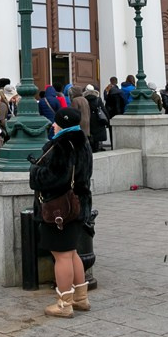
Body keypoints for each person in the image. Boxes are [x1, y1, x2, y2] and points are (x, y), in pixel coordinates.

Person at [29, 107, 93, 318]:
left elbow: (54, 177)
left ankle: (64, 303)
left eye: (56, 122)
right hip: (78, 205)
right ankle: (81, 298)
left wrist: (35, 172)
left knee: (62, 255)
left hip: (60, 210)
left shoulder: (62, 145)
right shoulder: (82, 141)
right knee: (71, 252)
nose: (53, 125)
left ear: (61, 124)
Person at [83, 85, 108, 152]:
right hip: (97, 118)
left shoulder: (84, 99)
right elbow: (103, 109)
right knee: (97, 133)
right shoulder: (98, 99)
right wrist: (107, 118)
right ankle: (96, 147)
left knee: (90, 133)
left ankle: (91, 147)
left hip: (88, 117)